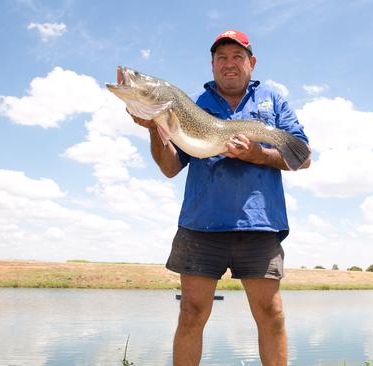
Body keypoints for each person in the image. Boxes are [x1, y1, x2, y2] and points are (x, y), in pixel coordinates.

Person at [128, 29, 310, 366]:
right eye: (221, 58)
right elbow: (170, 167)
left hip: (260, 224)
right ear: (212, 65)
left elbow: (303, 157)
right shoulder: (194, 104)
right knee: (191, 312)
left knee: (271, 315)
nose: (229, 64)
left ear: (251, 63)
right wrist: (156, 127)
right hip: (201, 225)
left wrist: (258, 153)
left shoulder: (274, 101)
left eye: (237, 57)